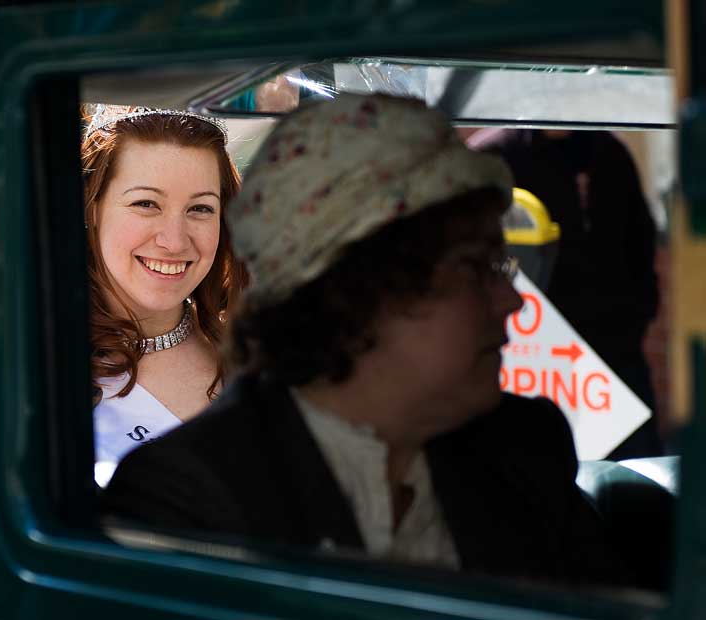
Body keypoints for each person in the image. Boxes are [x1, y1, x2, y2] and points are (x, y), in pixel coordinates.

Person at [103, 94, 631, 586]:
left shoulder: (523, 446)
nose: (511, 301)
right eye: (478, 269)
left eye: (201, 207)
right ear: (358, 291)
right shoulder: (185, 497)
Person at [469, 128, 662, 459]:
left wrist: (635, 314)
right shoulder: (494, 156)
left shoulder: (608, 152)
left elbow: (640, 243)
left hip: (613, 359)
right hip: (532, 358)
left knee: (633, 477)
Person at [82, 106, 247, 485]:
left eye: (200, 208)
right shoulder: (34, 364)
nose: (174, 241)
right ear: (92, 206)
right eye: (146, 203)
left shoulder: (257, 353)